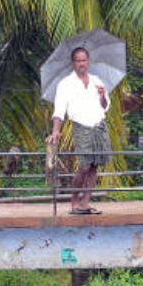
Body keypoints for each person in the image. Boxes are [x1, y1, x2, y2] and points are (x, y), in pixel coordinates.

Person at [47, 46, 111, 215]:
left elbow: (105, 107)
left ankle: (85, 203)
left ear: (88, 62)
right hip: (81, 127)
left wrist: (103, 96)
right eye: (78, 60)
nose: (82, 63)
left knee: (94, 166)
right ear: (73, 63)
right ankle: (74, 202)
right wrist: (56, 131)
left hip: (99, 125)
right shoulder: (66, 84)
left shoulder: (97, 81)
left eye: (84, 60)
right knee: (84, 166)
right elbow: (59, 110)